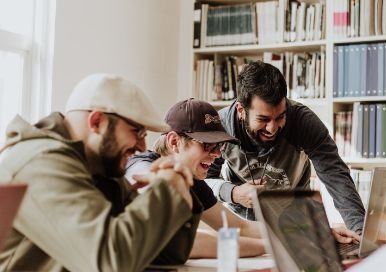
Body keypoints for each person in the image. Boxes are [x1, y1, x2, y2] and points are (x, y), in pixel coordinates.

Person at [0, 74, 202, 272]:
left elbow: (164, 255)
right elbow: (109, 263)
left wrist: (179, 188)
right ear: (96, 122)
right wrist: (166, 191)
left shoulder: (98, 166)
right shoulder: (42, 163)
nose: (142, 147)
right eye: (137, 132)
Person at [206, 61, 365, 235]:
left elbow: (336, 176)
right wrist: (233, 193)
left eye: (280, 117)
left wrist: (360, 233)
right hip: (241, 227)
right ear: (241, 110)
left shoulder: (303, 122)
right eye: (263, 119)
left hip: (295, 225)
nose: (272, 128)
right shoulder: (221, 127)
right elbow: (203, 181)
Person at [126, 98, 266, 258]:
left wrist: (290, 232)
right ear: (174, 142)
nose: (217, 154)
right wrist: (269, 246)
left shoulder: (191, 180)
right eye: (207, 145)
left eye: (219, 146)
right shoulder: (141, 166)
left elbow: (239, 227)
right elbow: (182, 241)